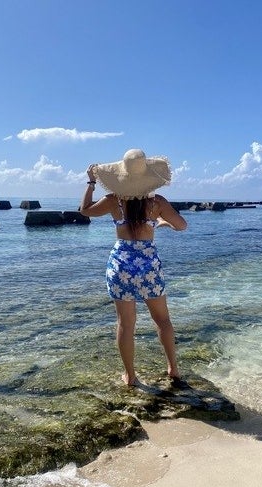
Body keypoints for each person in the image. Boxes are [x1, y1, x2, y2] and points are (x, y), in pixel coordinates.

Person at [79, 149, 188, 387]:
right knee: (163, 321)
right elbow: (182, 226)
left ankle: (130, 376)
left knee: (126, 324)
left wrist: (91, 182)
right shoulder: (156, 203)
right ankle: (173, 369)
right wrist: (162, 221)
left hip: (122, 264)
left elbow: (84, 210)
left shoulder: (113, 201)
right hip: (148, 264)